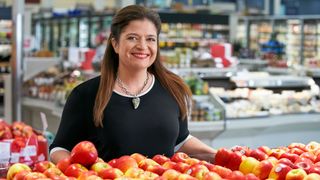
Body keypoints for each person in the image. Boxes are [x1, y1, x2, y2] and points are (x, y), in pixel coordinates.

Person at [49, 4, 216, 164]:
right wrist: (84, 173)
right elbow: (59, 148)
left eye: (150, 39)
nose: (142, 46)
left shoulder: (173, 89)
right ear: (115, 43)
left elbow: (180, 141)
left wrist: (221, 156)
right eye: (132, 38)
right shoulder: (86, 94)